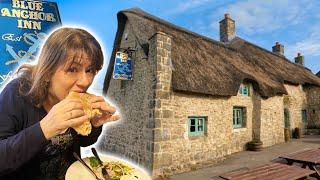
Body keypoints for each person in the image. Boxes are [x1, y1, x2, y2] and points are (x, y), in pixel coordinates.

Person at [0, 27, 120, 179]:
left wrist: (94, 126)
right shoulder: (16, 93)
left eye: (90, 70)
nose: (85, 82)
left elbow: (83, 142)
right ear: (48, 72)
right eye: (72, 69)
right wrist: (44, 129)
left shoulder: (78, 100)